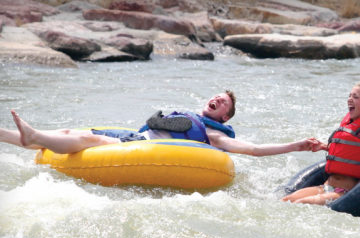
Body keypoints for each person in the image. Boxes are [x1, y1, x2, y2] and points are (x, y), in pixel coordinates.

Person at [1, 90, 318, 156]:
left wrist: (297, 145)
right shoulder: (187, 115)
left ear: (225, 118)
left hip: (147, 147)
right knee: (71, 131)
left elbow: (254, 149)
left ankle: (32, 137)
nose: (219, 101)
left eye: (225, 104)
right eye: (217, 97)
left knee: (86, 141)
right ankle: (7, 134)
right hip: (135, 136)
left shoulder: (213, 133)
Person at [282, 82, 360, 205]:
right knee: (285, 200)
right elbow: (350, 153)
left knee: (301, 202)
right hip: (325, 186)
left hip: (343, 192)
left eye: (355, 97)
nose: (350, 99)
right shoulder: (349, 126)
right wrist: (324, 146)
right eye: (349, 96)